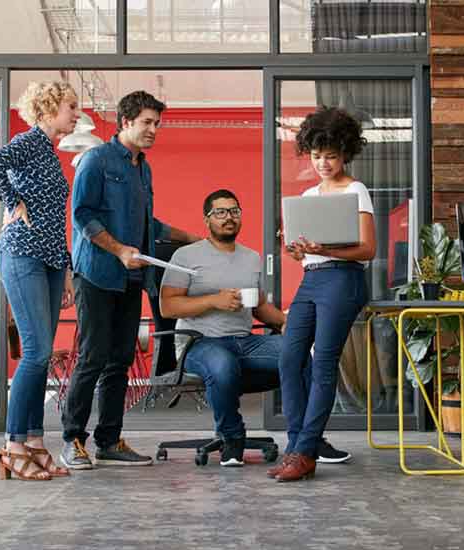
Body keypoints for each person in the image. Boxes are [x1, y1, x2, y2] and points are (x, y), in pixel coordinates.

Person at [159, 189, 353, 467]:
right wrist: (214, 300)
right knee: (223, 365)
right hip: (200, 342)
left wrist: (286, 323)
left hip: (246, 341)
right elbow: (168, 306)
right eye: (221, 212)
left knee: (298, 354)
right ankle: (232, 438)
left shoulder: (251, 257)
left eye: (235, 211)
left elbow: (259, 306)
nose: (229, 218)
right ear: (207, 220)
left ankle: (308, 441)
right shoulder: (186, 256)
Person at [63, 90, 199, 469]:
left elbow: (147, 224)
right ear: (125, 122)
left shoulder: (143, 168)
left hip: (132, 280)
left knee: (120, 361)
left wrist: (191, 238)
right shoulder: (95, 160)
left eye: (157, 123)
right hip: (97, 274)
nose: (154, 129)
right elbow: (82, 215)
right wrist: (119, 249)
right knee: (92, 358)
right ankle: (73, 438)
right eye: (147, 122)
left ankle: (109, 440)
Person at [270, 107, 376, 482]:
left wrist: (325, 249)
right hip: (312, 277)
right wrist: (298, 250)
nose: (323, 163)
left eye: (330, 155)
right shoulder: (308, 194)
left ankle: (303, 451)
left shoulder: (355, 190)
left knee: (324, 361)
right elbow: (304, 254)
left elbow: (368, 249)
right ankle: (299, 444)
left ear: (344, 152)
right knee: (289, 357)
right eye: (316, 156)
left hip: (344, 279)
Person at [0, 80, 80, 481]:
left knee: (41, 354)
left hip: (52, 259)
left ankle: (35, 442)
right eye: (71, 107)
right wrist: (12, 201)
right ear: (49, 108)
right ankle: (12, 446)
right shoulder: (30, 141)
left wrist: (68, 269)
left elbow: (58, 221)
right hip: (22, 253)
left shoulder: (51, 154)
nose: (77, 114)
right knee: (37, 352)